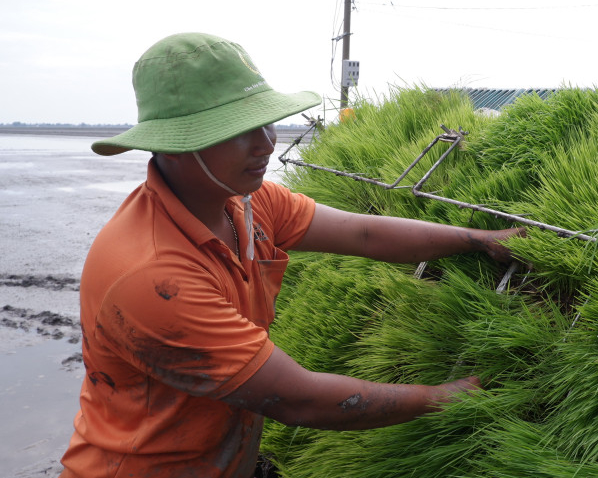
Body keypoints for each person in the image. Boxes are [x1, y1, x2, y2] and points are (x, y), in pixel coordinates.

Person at [59, 32, 524, 478]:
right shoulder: (152, 276)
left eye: (266, 121)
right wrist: (450, 396)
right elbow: (299, 399)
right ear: (175, 145)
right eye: (237, 130)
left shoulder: (244, 201)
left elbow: (363, 233)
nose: (266, 142)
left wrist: (479, 239)